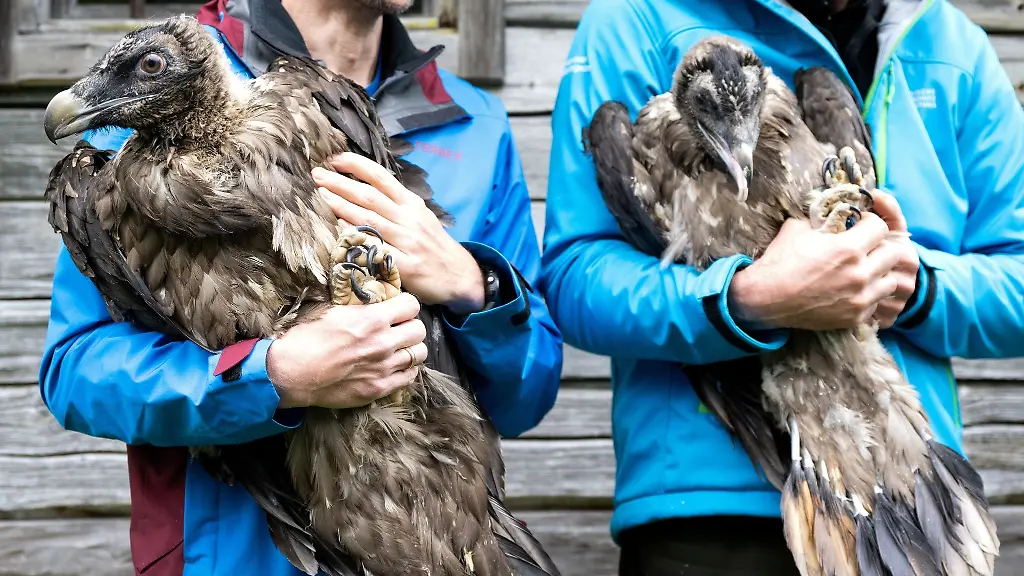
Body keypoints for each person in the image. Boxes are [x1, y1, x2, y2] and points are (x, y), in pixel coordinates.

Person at [38, 0, 563, 573]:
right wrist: (271, 377)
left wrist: (471, 284)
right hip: (234, 552)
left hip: (419, 532)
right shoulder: (155, 90)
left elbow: (525, 397)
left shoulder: (474, 123)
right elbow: (77, 371)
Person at [540, 0, 1024, 574]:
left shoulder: (949, 43)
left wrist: (912, 285)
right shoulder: (637, 18)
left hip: (902, 479)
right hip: (709, 514)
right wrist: (743, 300)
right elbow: (578, 278)